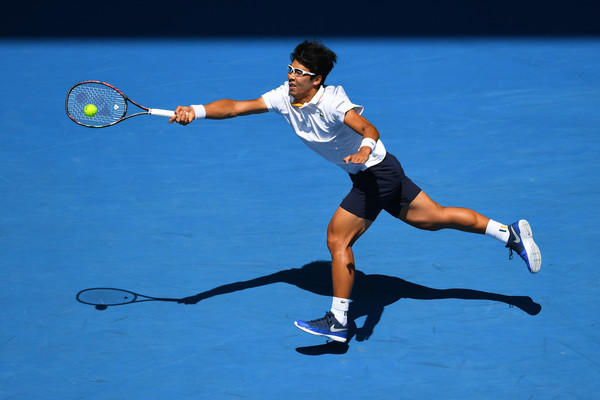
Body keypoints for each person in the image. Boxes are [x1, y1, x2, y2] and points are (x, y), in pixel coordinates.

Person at [169, 40, 541, 343]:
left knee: (337, 239)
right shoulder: (285, 95)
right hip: (382, 170)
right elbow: (236, 107)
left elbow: (368, 126)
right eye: (290, 68)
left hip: (374, 172)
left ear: (317, 79)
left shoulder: (332, 101)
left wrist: (364, 148)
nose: (291, 76)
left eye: (299, 72)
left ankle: (339, 320)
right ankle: (508, 233)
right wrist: (197, 111)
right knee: (434, 218)